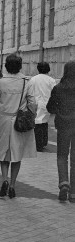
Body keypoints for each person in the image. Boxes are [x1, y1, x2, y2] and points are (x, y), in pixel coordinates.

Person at [0, 54, 36, 198]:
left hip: (4, 119)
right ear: (20, 66)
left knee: (4, 152)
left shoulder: (0, 82)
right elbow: (32, 103)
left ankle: (4, 179)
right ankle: (12, 185)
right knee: (17, 154)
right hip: (19, 120)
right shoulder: (27, 82)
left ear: (6, 66)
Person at [47, 61, 75, 203]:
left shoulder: (58, 88)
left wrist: (59, 111)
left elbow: (50, 107)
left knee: (62, 156)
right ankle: (74, 194)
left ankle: (64, 182)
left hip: (63, 125)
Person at [29, 62, 56, 152]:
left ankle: (38, 143)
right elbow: (54, 93)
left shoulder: (33, 79)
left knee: (37, 123)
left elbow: (30, 92)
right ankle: (43, 142)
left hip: (35, 103)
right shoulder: (51, 80)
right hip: (47, 103)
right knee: (44, 123)